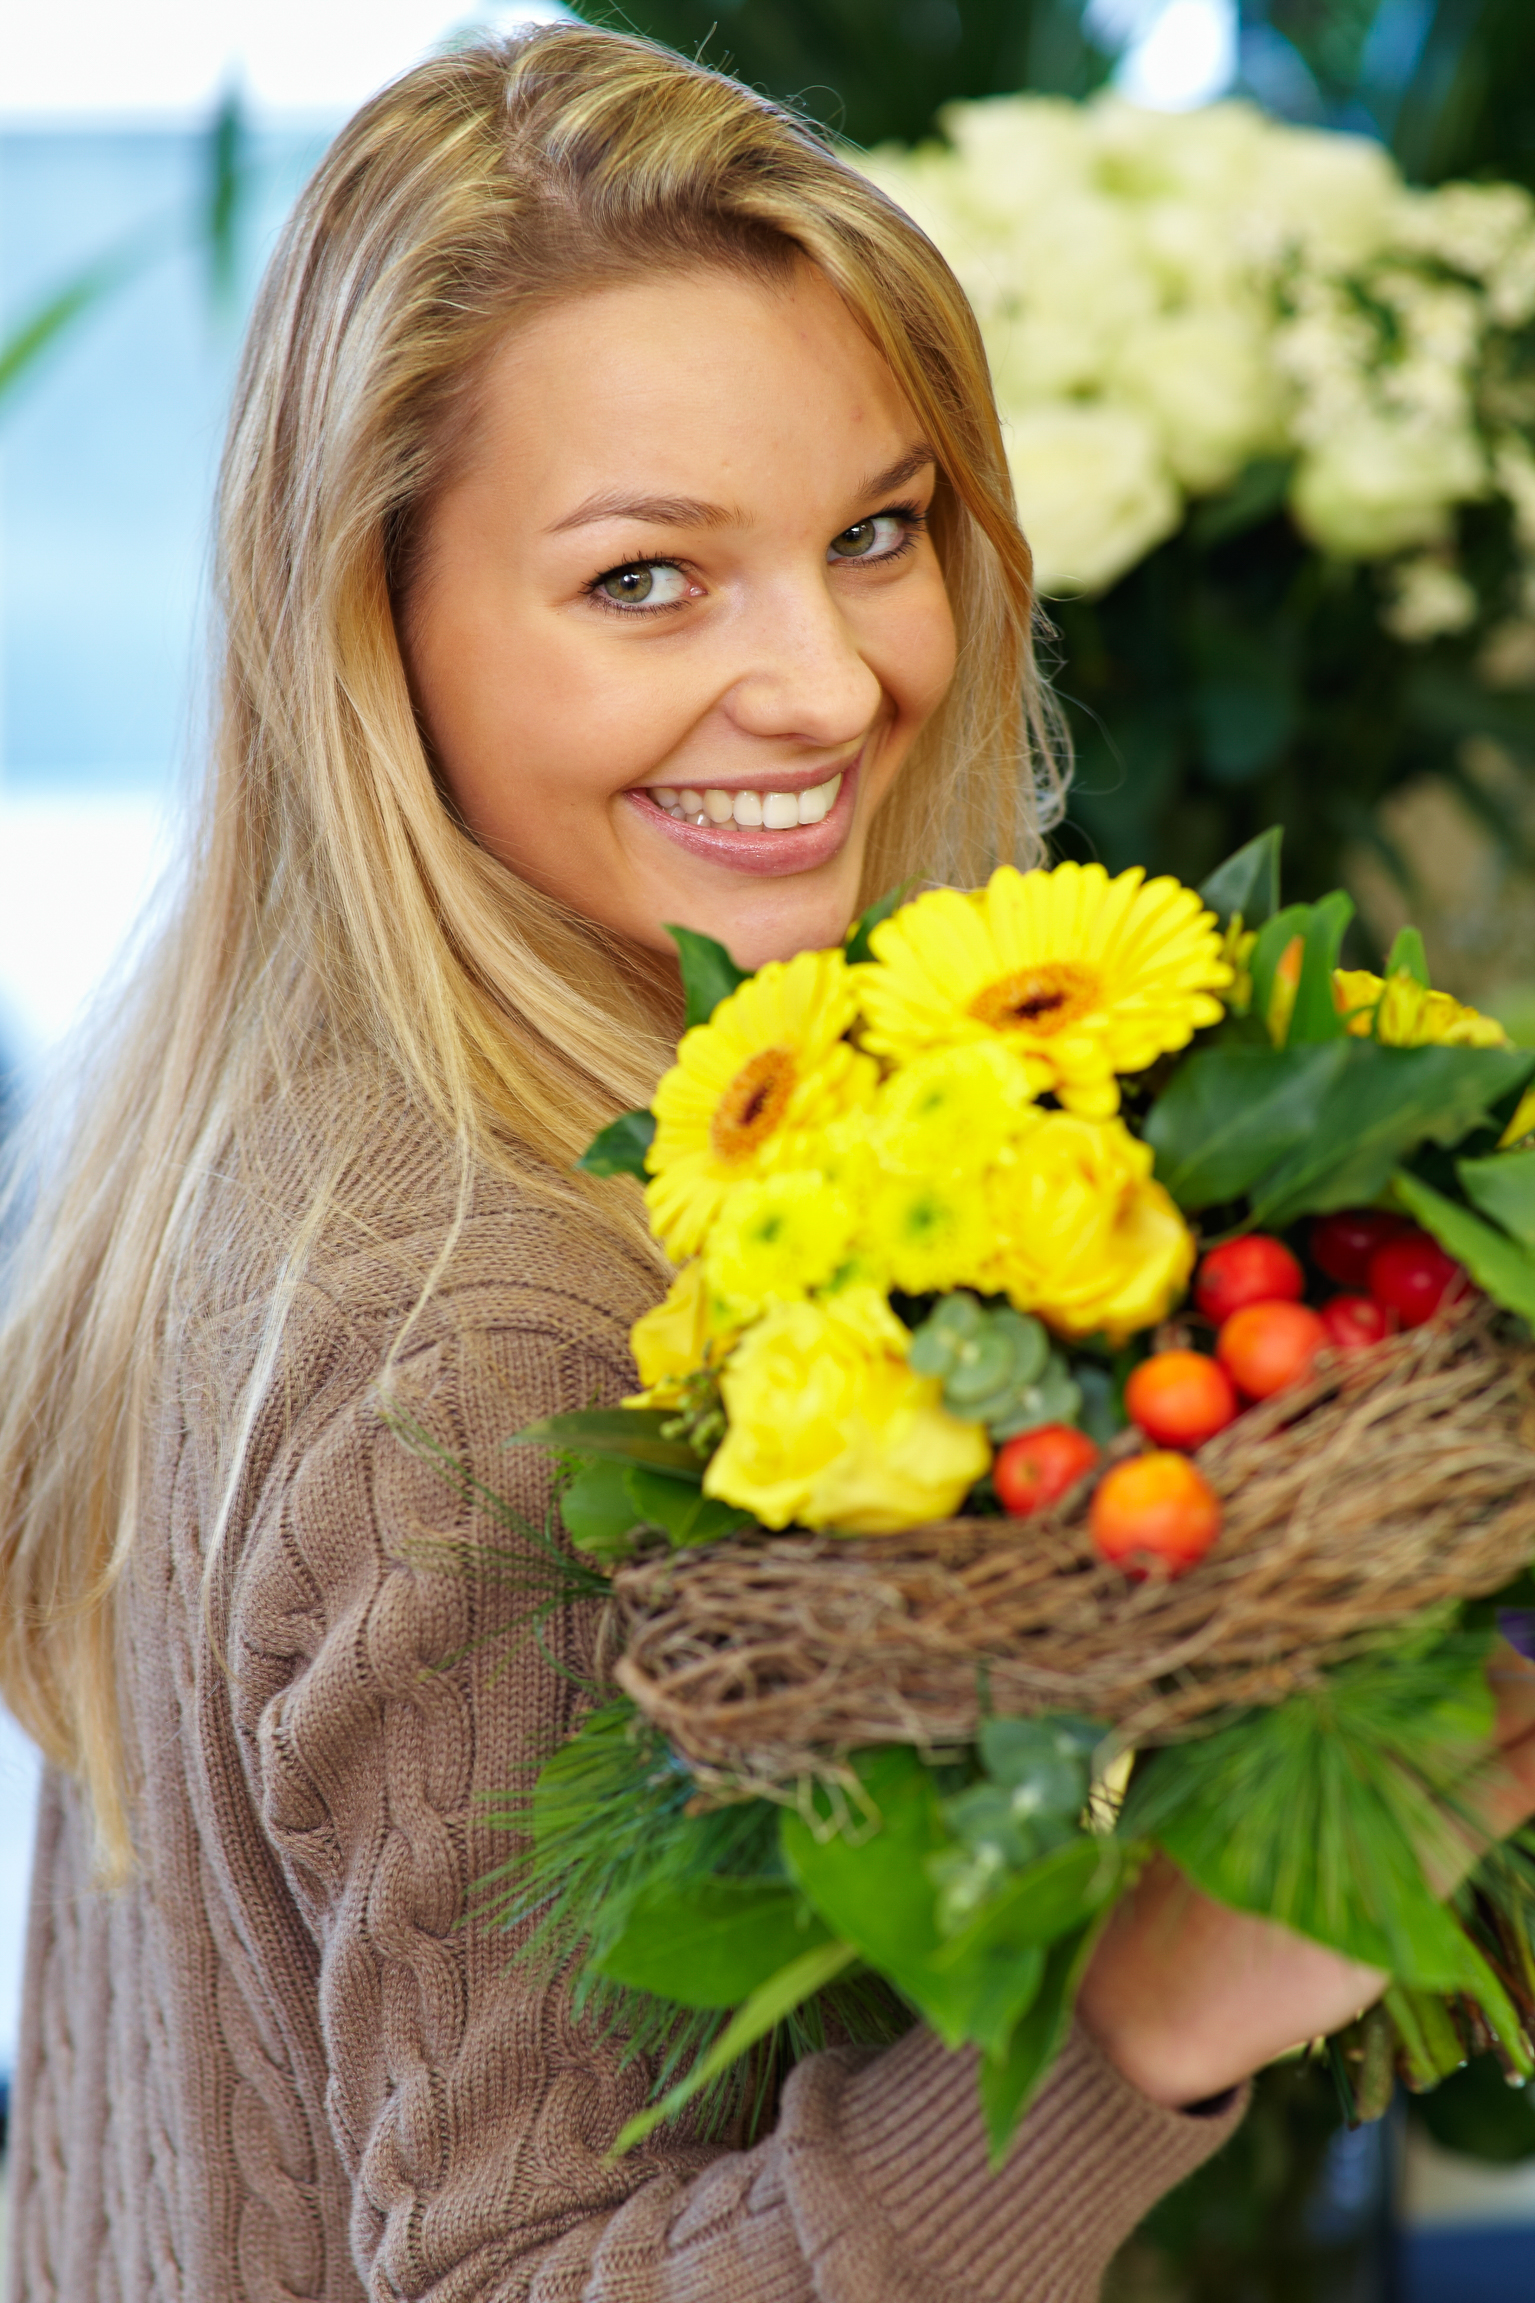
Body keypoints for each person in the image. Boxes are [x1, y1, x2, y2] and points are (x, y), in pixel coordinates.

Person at [2, 27, 1533, 2301]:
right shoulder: (492, 1330)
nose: (824, 684)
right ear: (373, 622)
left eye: (876, 534)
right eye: (648, 582)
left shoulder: (348, 1113)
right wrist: (1147, 2023)